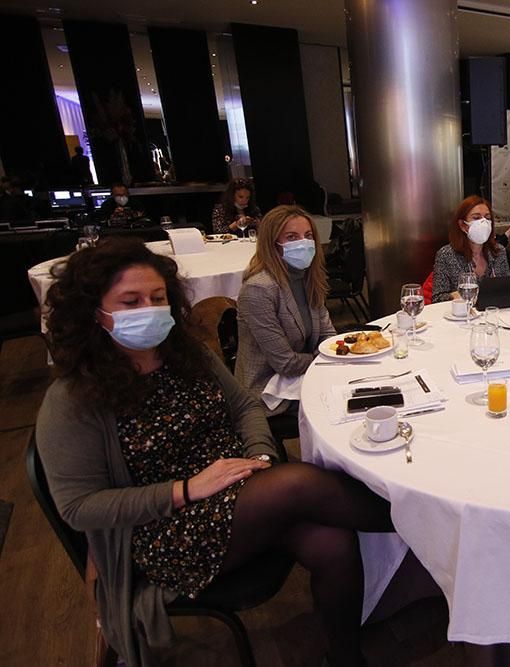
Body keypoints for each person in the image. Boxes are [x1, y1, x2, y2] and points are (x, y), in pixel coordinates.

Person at [35, 237, 393, 665]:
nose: (148, 309)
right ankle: (424, 522)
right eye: (130, 302)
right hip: (165, 527)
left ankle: (346, 657)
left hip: (240, 489)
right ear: (93, 313)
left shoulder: (187, 354)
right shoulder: (73, 398)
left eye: (157, 298)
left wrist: (261, 458)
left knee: (332, 542)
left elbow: (244, 406)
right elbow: (79, 508)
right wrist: (187, 489)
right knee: (297, 483)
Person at [236, 205, 336, 416]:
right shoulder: (259, 289)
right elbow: (286, 364)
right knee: (340, 404)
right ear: (273, 244)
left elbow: (329, 336)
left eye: (308, 236)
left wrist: (331, 354)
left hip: (305, 372)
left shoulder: (308, 277)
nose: (303, 243)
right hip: (269, 387)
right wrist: (328, 358)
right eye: (292, 237)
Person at [432, 196, 510, 303]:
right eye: (476, 218)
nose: (483, 223)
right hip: (461, 317)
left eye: (487, 218)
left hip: (493, 315)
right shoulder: (446, 255)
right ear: (462, 225)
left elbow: (509, 289)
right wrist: (454, 296)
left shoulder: (499, 251)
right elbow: (437, 299)